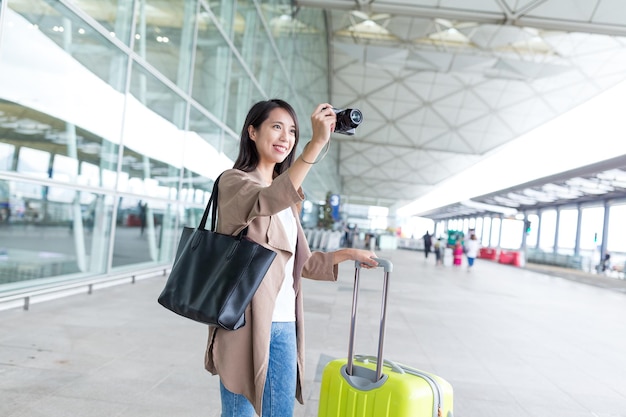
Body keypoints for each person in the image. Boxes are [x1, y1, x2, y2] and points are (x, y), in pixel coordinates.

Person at [204, 99, 378, 417]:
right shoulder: (234, 183)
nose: (286, 137)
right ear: (252, 132)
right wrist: (315, 144)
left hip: (285, 324)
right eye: (277, 127)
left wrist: (348, 254)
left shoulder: (289, 200)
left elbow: (304, 263)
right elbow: (265, 200)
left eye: (293, 131)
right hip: (243, 324)